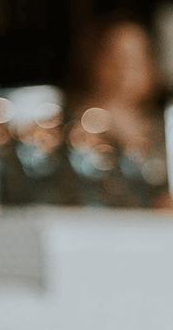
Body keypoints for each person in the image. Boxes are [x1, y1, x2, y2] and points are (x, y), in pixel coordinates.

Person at [63, 13, 171, 209]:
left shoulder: (164, 128)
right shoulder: (72, 127)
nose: (128, 70)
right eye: (118, 58)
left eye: (141, 58)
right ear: (94, 61)